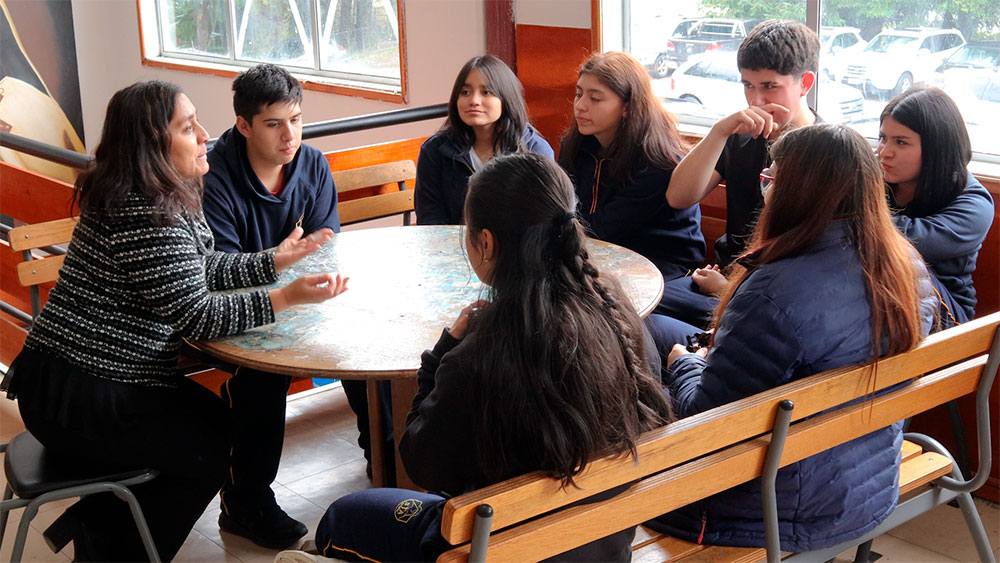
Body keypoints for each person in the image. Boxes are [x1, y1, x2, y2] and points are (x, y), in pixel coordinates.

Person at [0, 80, 347, 562]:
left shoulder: (167, 194)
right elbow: (197, 314)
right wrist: (283, 298)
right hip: (77, 392)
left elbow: (203, 267)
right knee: (205, 450)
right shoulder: (142, 211)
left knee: (216, 432)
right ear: (151, 144)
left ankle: (97, 532)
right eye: (188, 127)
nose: (206, 133)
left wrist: (275, 259)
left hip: (109, 380)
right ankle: (114, 548)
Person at [301, 153, 674, 562]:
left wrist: (442, 353)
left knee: (341, 517)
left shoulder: (481, 355)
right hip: (601, 546)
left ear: (486, 243)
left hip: (489, 549)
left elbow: (425, 465)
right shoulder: (617, 316)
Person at [646, 123, 936, 551]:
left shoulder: (773, 290)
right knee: (655, 329)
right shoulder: (905, 265)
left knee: (641, 349)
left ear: (797, 191)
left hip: (764, 507)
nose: (766, 191)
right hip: (863, 480)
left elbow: (705, 418)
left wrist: (684, 364)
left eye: (771, 180)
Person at [201, 63, 369, 548]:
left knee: (359, 347)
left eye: (295, 119)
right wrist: (281, 273)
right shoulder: (217, 175)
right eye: (274, 124)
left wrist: (300, 285)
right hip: (236, 313)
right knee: (262, 375)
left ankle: (383, 457)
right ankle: (246, 505)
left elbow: (325, 243)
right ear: (244, 125)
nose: (289, 135)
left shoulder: (312, 164)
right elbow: (222, 269)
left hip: (304, 300)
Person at [657, 20, 821, 338]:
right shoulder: (741, 136)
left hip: (773, 299)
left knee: (650, 324)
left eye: (769, 86)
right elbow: (677, 197)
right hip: (722, 280)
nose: (755, 100)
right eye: (748, 85)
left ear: (805, 83)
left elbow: (808, 259)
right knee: (632, 304)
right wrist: (720, 131)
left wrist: (729, 288)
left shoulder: (826, 150)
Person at [559, 51, 704, 282]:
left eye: (595, 98)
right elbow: (562, 206)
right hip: (598, 255)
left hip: (662, 268)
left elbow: (607, 228)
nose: (580, 106)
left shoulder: (659, 160)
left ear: (628, 106)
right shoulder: (575, 145)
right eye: (579, 94)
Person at [878, 86, 994, 327]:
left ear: (936, 148)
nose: (884, 152)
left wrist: (848, 211)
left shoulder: (975, 204)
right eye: (883, 138)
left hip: (946, 314)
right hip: (888, 300)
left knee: (903, 264)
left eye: (900, 142)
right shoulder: (878, 179)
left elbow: (910, 242)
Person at [414, 55, 554, 225]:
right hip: (452, 248)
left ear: (506, 98)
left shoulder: (535, 151)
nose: (474, 101)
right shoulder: (435, 151)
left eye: (486, 92)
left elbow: (543, 221)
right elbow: (430, 220)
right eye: (465, 92)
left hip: (515, 250)